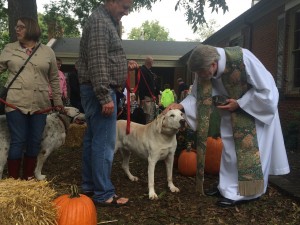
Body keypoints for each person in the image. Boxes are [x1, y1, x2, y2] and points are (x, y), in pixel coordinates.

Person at [164, 44, 290, 207]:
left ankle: (249, 193)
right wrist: (181, 106)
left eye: (202, 72)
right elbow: (197, 95)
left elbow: (269, 91)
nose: (201, 77)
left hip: (254, 116)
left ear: (213, 64)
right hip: (230, 116)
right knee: (230, 153)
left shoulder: (243, 58)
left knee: (248, 155)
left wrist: (241, 103)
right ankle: (226, 188)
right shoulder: (204, 68)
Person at [77, 0, 138, 207]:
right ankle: (103, 193)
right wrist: (104, 96)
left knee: (93, 140)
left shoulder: (105, 20)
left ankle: (89, 186)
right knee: (104, 142)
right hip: (100, 91)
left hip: (96, 89)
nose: (127, 12)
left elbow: (106, 57)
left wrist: (123, 64)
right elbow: (97, 62)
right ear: (111, 1)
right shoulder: (101, 22)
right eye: (125, 7)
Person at [0, 17, 63, 180]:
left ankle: (28, 178)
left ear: (31, 28)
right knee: (18, 139)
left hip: (40, 104)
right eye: (16, 27)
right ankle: (14, 181)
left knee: (34, 141)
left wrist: (58, 101)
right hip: (15, 102)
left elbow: (54, 79)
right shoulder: (9, 49)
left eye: (21, 27)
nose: (17, 29)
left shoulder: (48, 52)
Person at [138, 56, 156, 123]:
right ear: (150, 62)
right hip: (146, 97)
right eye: (152, 62)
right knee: (147, 116)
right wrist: (142, 97)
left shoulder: (148, 71)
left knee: (150, 115)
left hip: (150, 97)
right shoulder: (143, 71)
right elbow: (141, 84)